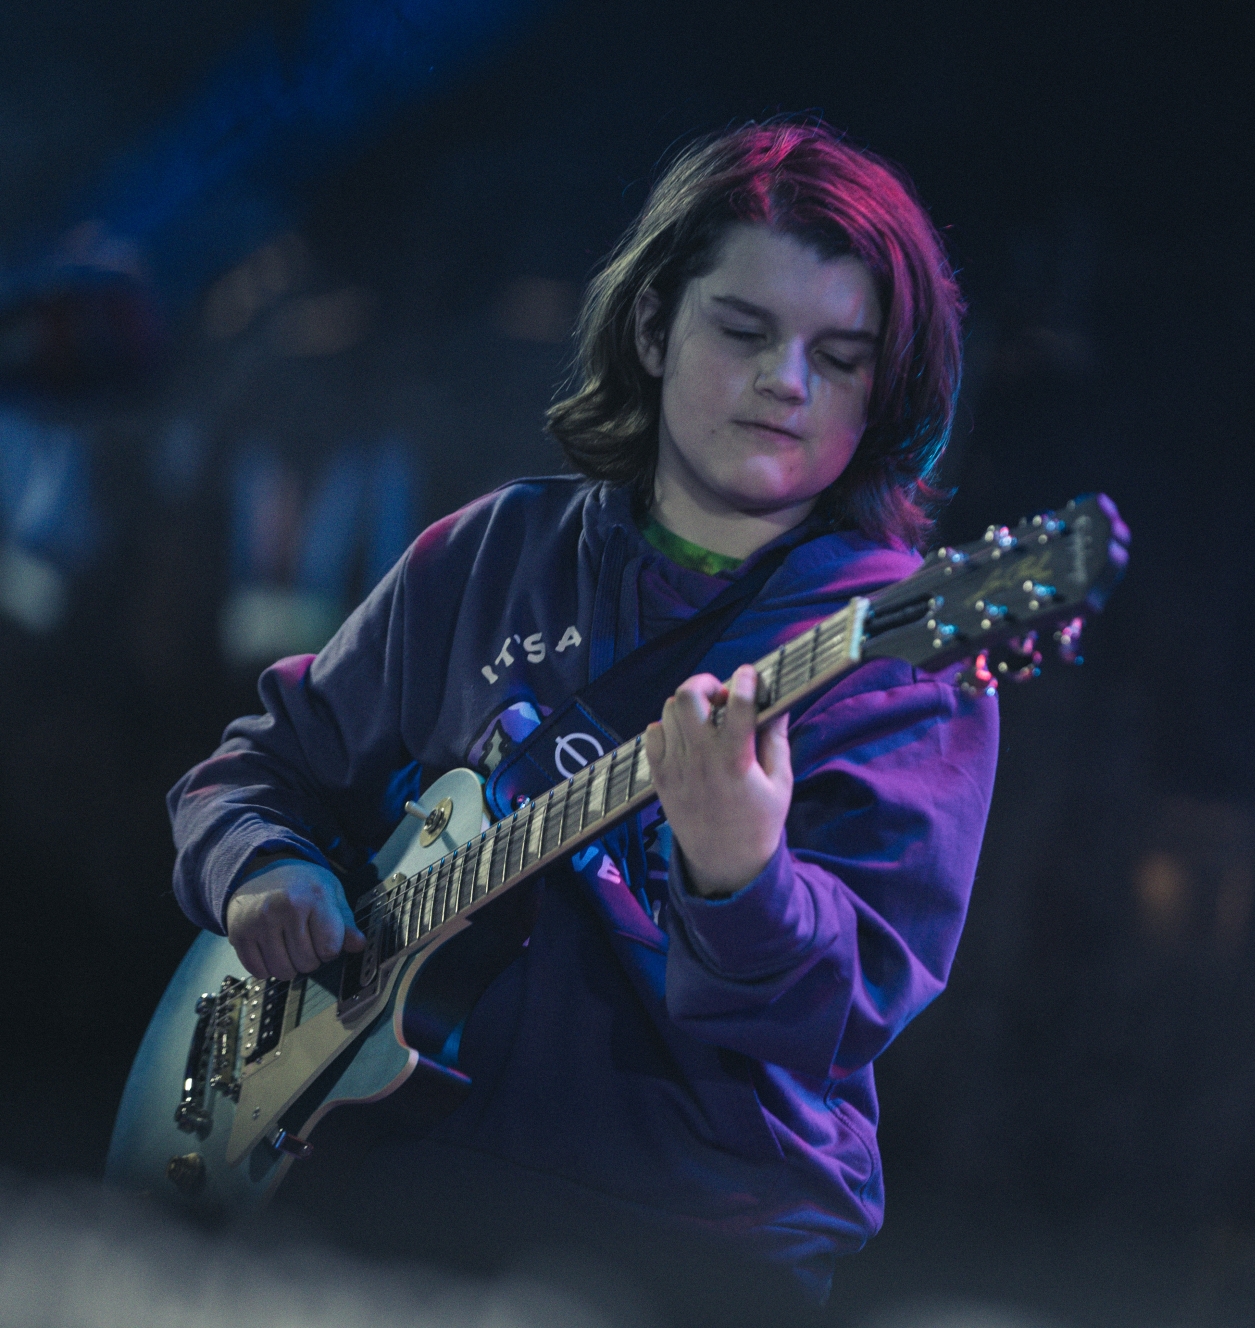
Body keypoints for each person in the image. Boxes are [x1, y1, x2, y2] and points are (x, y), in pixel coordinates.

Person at [166, 122, 998, 1312]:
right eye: (745, 330)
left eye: (842, 356)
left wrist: (741, 875)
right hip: (388, 1180)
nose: (788, 382)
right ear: (655, 326)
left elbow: (849, 1006)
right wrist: (260, 867)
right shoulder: (496, 548)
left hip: (691, 1231)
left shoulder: (899, 652)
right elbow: (257, 768)